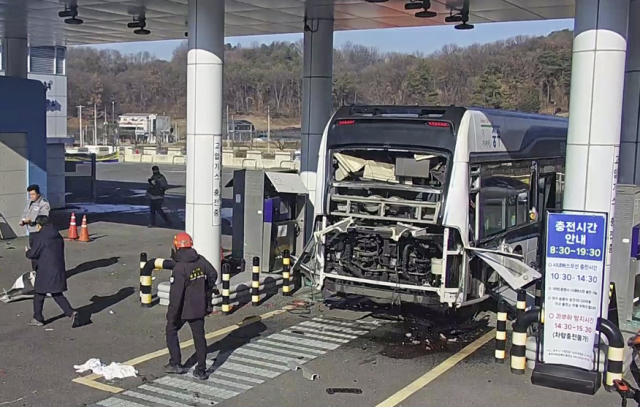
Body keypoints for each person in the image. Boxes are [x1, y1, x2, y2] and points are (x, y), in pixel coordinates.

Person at [165, 232, 217, 380]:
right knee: (199, 337)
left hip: (183, 309)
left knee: (171, 330)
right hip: (199, 306)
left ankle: (176, 363)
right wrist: (205, 289)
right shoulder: (200, 260)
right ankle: (201, 370)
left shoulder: (179, 268)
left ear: (176, 247)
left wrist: (171, 315)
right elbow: (213, 274)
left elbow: (176, 297)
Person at [24, 215, 77, 327]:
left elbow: (33, 253)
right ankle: (71, 312)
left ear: (39, 225)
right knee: (56, 293)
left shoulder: (41, 237)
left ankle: (38, 318)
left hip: (45, 270)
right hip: (58, 268)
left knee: (39, 294)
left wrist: (27, 251)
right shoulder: (57, 236)